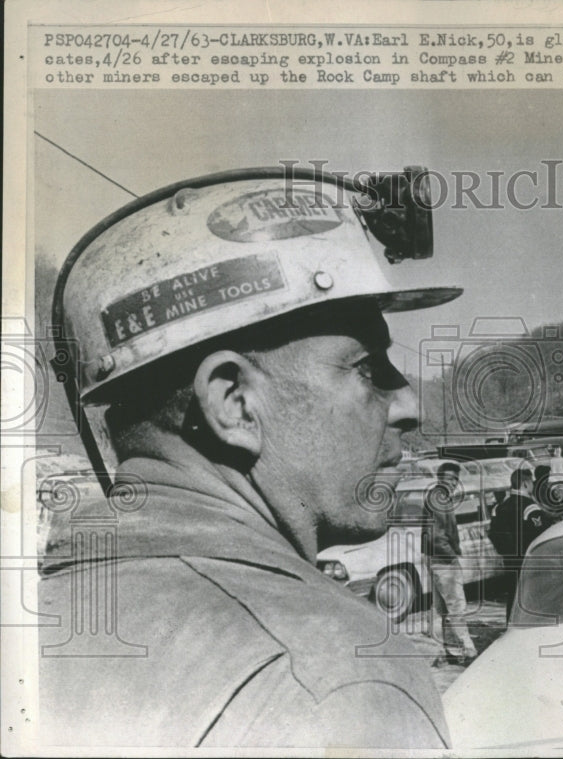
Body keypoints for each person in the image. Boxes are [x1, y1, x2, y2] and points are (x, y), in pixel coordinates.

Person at [39, 170, 458, 747]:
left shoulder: (35, 617)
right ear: (234, 403)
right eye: (366, 367)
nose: (409, 403)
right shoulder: (339, 672)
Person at [423, 463, 478, 667]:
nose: (453, 483)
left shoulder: (438, 497)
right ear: (439, 478)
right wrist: (452, 556)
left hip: (434, 558)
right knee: (456, 606)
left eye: (456, 479)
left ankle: (444, 651)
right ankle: (468, 649)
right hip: (442, 560)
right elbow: (438, 536)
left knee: (441, 609)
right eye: (449, 478)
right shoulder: (439, 499)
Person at [488, 467, 551, 620]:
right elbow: (542, 535)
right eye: (531, 483)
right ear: (524, 484)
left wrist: (506, 552)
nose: (533, 486)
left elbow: (493, 535)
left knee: (514, 596)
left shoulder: (499, 508)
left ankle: (511, 628)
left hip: (509, 561)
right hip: (531, 561)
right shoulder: (530, 508)